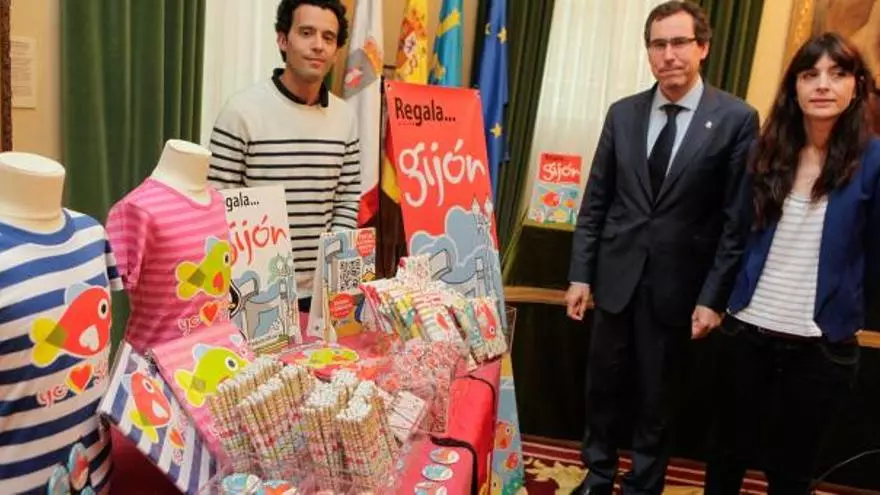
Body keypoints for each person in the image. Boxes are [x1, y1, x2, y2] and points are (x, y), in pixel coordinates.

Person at [565, 1, 759, 493]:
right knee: (602, 387)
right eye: (658, 44)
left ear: (703, 47)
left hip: (679, 288)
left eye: (679, 43)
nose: (668, 54)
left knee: (658, 397)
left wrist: (714, 298)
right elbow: (596, 200)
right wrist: (580, 274)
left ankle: (643, 484)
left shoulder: (736, 119)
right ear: (648, 51)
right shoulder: (622, 113)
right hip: (615, 279)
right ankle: (598, 473)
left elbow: (736, 222)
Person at [705, 33, 880, 494]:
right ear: (794, 87)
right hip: (746, 333)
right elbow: (734, 234)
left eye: (837, 74)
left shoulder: (875, 160)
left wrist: (847, 307)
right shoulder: (764, 151)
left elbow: (875, 256)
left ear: (857, 87)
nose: (823, 85)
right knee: (725, 457)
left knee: (791, 474)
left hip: (820, 348)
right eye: (810, 74)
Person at [207, 0, 360, 316]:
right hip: (254, 293)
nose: (318, 45)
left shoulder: (346, 118)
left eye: (328, 37)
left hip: (320, 295)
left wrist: (332, 280)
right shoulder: (240, 112)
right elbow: (217, 205)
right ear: (282, 39)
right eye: (306, 33)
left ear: (336, 51)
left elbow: (347, 201)